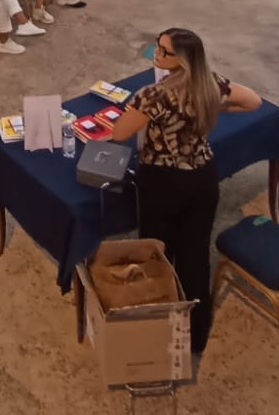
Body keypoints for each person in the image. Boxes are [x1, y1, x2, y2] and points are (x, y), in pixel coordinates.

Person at [111, 28, 262, 355]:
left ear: (180, 60)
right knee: (195, 256)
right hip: (202, 178)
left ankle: (157, 324)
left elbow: (119, 131)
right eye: (158, 48)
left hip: (162, 181)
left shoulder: (153, 95)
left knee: (157, 252)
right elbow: (253, 101)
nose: (157, 55)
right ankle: (195, 336)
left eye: (163, 52)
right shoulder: (212, 83)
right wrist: (217, 108)